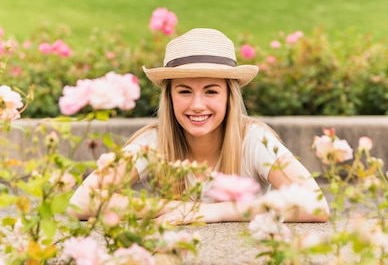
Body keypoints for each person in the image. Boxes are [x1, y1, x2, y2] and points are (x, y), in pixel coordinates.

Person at [68, 28, 329, 224]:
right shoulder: (154, 142)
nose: (197, 105)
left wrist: (218, 211)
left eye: (211, 91)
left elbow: (315, 205)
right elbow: (79, 203)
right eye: (184, 91)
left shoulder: (252, 139)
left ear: (229, 96)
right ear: (169, 97)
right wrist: (170, 208)